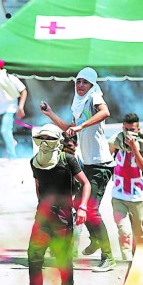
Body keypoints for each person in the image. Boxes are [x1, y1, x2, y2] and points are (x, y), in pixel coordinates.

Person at [41, 67, 116, 272]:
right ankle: (95, 238)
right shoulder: (78, 102)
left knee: (90, 209)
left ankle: (108, 257)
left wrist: (81, 127)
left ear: (92, 85)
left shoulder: (95, 96)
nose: (80, 85)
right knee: (77, 203)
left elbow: (105, 112)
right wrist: (50, 114)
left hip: (101, 163)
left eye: (85, 82)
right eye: (78, 81)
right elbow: (69, 128)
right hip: (89, 163)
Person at [23, 124, 91, 285]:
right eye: (41, 138)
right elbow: (38, 185)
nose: (44, 142)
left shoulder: (67, 160)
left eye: (48, 138)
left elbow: (85, 183)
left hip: (63, 219)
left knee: (63, 261)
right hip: (43, 218)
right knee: (34, 258)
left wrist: (82, 207)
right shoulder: (34, 162)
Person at [108, 113, 143, 261]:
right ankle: (126, 263)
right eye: (125, 129)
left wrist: (134, 148)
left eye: (131, 130)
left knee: (139, 235)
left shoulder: (142, 145)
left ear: (138, 130)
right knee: (124, 232)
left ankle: (139, 263)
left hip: (138, 198)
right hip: (118, 197)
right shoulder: (115, 142)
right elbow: (106, 162)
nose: (128, 133)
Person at [0, 58, 27, 159]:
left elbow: (23, 91)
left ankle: (12, 156)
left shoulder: (10, 78)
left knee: (5, 131)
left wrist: (20, 107)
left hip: (10, 108)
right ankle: (10, 142)